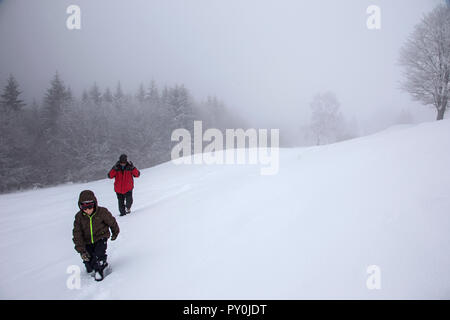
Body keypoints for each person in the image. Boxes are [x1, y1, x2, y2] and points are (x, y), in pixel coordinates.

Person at [72, 190, 120, 281]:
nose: (88, 210)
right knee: (89, 262)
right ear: (80, 206)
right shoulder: (79, 217)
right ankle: (91, 265)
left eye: (90, 206)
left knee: (99, 254)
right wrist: (81, 250)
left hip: (101, 237)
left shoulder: (102, 212)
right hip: (87, 241)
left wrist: (115, 232)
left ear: (94, 204)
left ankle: (99, 269)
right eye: (84, 207)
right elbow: (77, 234)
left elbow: (112, 222)